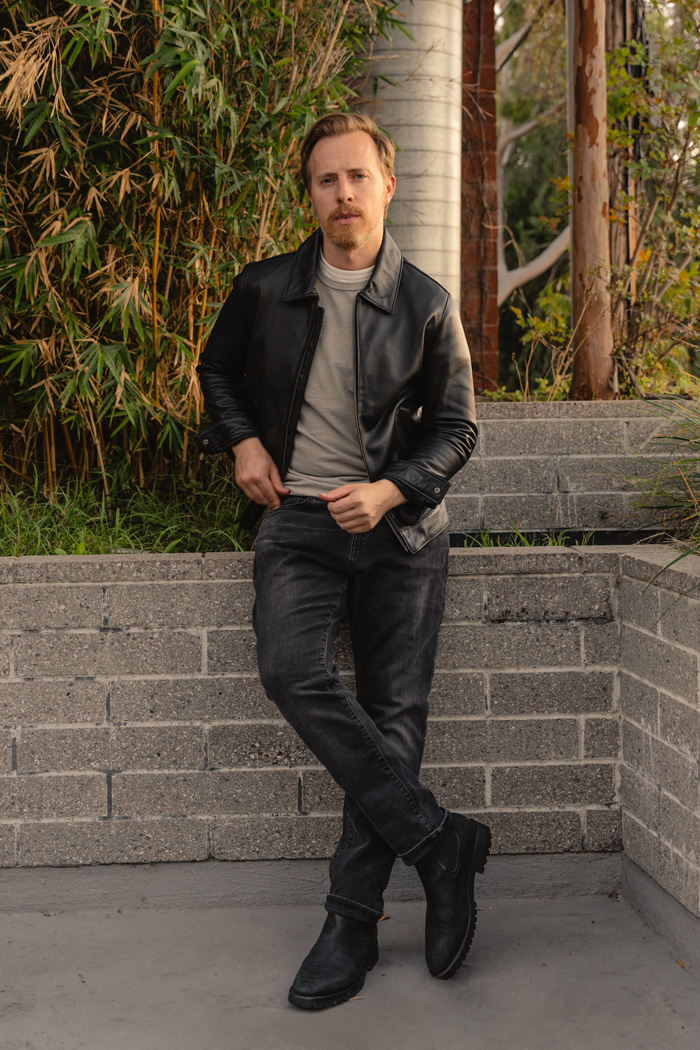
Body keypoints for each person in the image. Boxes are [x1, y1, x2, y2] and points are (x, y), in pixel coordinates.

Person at [194, 112, 491, 1010]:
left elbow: (457, 427)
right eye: (326, 180)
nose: (343, 194)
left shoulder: (426, 303)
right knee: (290, 668)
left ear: (387, 186)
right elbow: (217, 371)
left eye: (358, 177)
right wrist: (244, 441)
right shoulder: (265, 287)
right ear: (310, 195)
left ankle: (351, 920)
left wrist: (394, 489)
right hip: (300, 522)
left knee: (394, 712)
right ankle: (438, 843)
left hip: (400, 534)